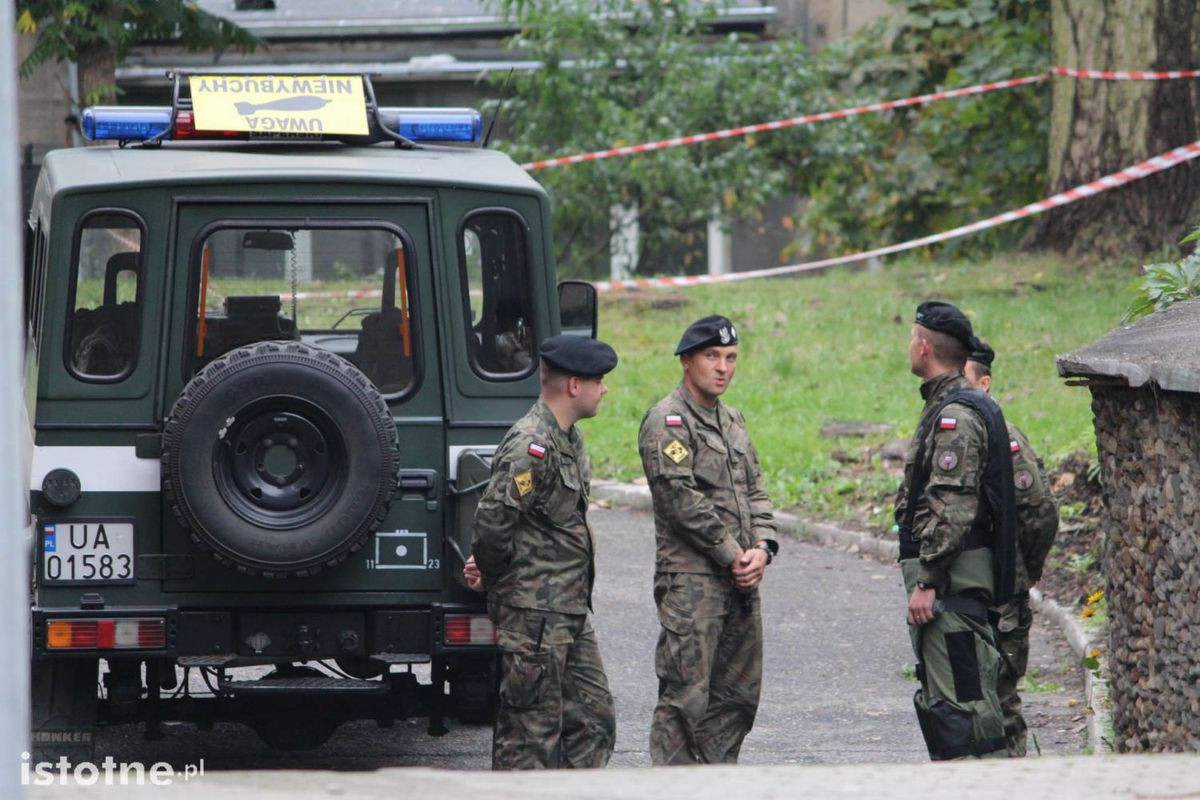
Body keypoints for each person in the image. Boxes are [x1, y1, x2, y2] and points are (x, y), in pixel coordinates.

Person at [462, 334, 618, 770]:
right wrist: (492, 575)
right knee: (529, 736)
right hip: (533, 615)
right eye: (598, 381)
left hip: (568, 611)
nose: (603, 388)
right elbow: (494, 521)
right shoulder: (531, 445)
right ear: (573, 386)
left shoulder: (569, 439)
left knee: (594, 720)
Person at [637, 314, 779, 765]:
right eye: (712, 356)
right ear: (686, 361)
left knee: (737, 699)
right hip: (693, 584)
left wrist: (764, 548)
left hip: (741, 581)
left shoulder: (732, 419)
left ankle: (714, 786)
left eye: (731, 357)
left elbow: (756, 489)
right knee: (685, 700)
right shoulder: (668, 421)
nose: (723, 367)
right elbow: (680, 498)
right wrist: (735, 554)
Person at [895, 301, 1015, 760]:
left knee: (962, 721)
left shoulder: (954, 417)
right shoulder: (949, 406)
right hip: (953, 588)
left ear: (924, 348)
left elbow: (953, 508)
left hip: (951, 590)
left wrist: (928, 580)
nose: (909, 347)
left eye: (911, 339)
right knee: (957, 714)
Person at [965, 338, 1059, 757]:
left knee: (1001, 702)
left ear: (984, 384)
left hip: (1003, 594)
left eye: (964, 381)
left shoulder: (1004, 438)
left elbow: (1039, 511)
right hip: (970, 590)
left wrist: (1025, 568)